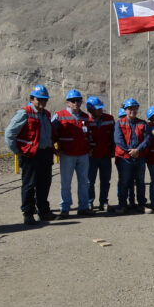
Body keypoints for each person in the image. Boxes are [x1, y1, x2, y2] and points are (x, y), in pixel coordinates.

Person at [5, 84, 55, 225]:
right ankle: (28, 213)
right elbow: (9, 133)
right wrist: (17, 151)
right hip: (30, 155)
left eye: (44, 100)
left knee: (44, 183)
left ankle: (43, 211)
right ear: (32, 99)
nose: (42, 103)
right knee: (29, 185)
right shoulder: (24, 113)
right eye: (39, 99)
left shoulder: (46, 114)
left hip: (45, 153)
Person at [52, 89, 93, 217]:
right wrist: (54, 149)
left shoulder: (85, 117)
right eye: (73, 101)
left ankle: (83, 207)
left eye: (78, 100)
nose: (76, 103)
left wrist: (90, 148)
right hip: (67, 155)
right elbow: (50, 133)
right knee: (65, 182)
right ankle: (65, 208)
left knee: (84, 182)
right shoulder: (59, 115)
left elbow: (89, 135)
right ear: (68, 102)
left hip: (83, 154)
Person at [113, 98, 150, 214]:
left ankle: (141, 204)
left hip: (139, 157)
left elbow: (147, 139)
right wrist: (130, 151)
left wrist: (138, 150)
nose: (132, 111)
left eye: (134, 108)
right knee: (124, 181)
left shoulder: (142, 123)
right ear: (125, 110)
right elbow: (118, 140)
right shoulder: (119, 123)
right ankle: (122, 205)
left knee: (140, 181)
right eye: (130, 109)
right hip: (125, 158)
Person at [86, 96, 114, 212]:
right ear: (90, 110)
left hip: (105, 155)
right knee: (89, 181)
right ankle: (89, 202)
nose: (101, 110)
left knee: (105, 180)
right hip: (91, 156)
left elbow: (113, 136)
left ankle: (104, 201)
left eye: (101, 108)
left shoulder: (109, 118)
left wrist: (113, 150)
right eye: (98, 109)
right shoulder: (85, 120)